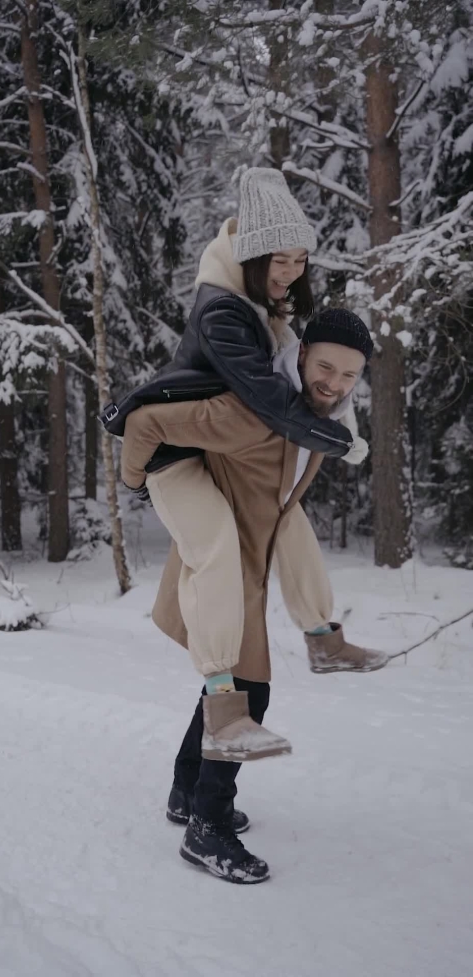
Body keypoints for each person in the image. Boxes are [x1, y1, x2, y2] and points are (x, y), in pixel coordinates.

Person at [102, 168, 387, 883]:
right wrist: (131, 470)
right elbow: (178, 415)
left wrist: (321, 625)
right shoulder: (233, 339)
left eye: (299, 260)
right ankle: (207, 821)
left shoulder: (281, 336)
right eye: (279, 260)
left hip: (236, 504)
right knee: (232, 636)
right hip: (183, 470)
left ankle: (187, 789)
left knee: (253, 622)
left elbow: (292, 508)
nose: (290, 272)